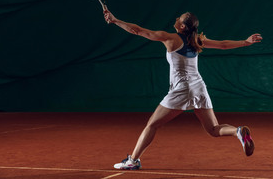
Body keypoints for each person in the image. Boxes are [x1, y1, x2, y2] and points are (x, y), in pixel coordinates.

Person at [103, 9, 262, 170]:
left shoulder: (169, 38)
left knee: (152, 125)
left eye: (181, 18)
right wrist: (245, 42)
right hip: (199, 87)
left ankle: (133, 161)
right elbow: (223, 45)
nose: (177, 18)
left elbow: (137, 30)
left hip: (182, 89)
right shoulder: (198, 40)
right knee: (214, 129)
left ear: (183, 26)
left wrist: (116, 20)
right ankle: (238, 131)